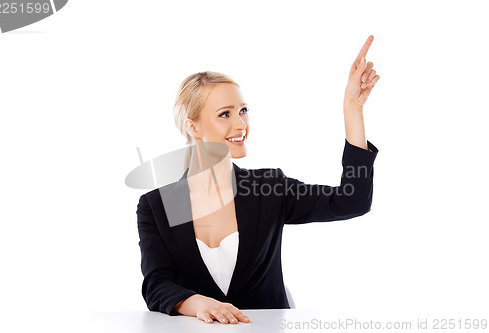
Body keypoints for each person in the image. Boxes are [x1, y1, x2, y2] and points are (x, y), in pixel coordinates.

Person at [136, 35, 380, 325]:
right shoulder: (160, 204)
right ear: (193, 126)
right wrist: (196, 302)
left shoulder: (267, 188)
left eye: (243, 111)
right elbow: (157, 284)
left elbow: (351, 200)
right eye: (224, 114)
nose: (240, 124)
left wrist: (353, 109)